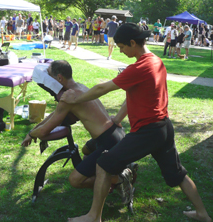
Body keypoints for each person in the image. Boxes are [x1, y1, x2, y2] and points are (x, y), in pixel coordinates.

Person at [61, 23, 212, 222]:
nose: (121, 51)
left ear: (133, 43)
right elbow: (133, 93)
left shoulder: (140, 67)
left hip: (148, 132)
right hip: (164, 128)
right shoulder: (156, 61)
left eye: (122, 46)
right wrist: (118, 118)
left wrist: (75, 100)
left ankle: (93, 218)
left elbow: (102, 88)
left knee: (104, 164)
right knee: (178, 174)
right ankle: (203, 213)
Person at [21, 60, 136, 196]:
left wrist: (32, 134)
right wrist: (34, 129)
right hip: (116, 133)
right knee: (85, 150)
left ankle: (120, 179)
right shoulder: (80, 87)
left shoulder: (68, 97)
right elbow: (54, 115)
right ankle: (117, 168)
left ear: (59, 78)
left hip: (109, 141)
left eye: (50, 75)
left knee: (75, 180)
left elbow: (45, 130)